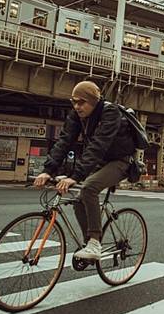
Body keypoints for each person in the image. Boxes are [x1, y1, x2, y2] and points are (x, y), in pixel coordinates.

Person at [34, 81, 137, 260]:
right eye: (74, 101)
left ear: (94, 101)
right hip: (100, 161)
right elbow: (64, 141)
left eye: (81, 102)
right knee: (78, 200)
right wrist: (48, 170)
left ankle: (94, 243)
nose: (77, 106)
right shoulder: (77, 115)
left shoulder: (110, 112)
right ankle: (89, 240)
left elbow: (98, 145)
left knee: (89, 188)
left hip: (120, 161)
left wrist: (75, 176)